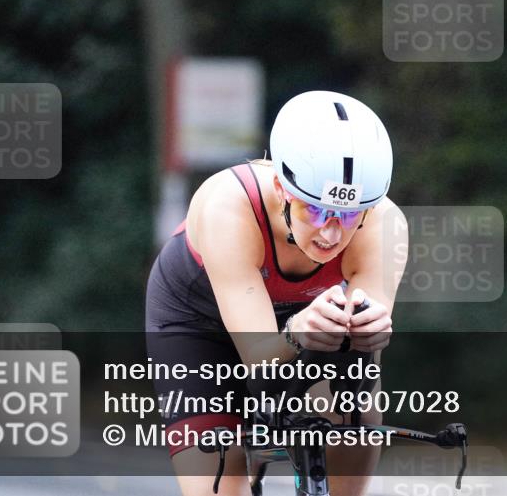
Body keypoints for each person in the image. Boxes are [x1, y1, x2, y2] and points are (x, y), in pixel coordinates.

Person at [145, 90, 408, 496]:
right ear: (282, 187)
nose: (331, 233)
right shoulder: (227, 205)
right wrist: (296, 331)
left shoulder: (384, 224)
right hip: (198, 323)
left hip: (305, 314)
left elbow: (361, 360)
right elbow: (257, 357)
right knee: (220, 468)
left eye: (350, 214)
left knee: (358, 414)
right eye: (316, 209)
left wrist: (369, 331)